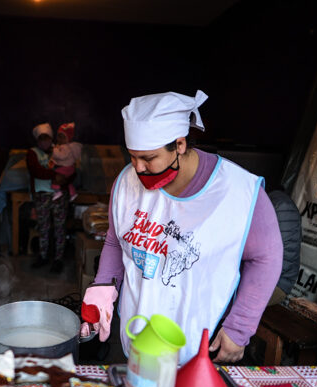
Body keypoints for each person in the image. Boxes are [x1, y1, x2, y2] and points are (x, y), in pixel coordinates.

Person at [80, 91, 283, 364]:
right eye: (132, 157)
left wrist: (239, 327)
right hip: (137, 329)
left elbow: (266, 259)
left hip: (202, 341)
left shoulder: (238, 193)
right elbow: (117, 241)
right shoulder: (126, 183)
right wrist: (103, 285)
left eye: (149, 158)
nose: (138, 169)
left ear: (179, 144)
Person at [26, 122, 71, 273]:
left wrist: (66, 178)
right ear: (37, 140)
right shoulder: (32, 153)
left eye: (47, 139)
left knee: (60, 228)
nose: (44, 142)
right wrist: (55, 175)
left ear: (51, 139)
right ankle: (43, 256)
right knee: (43, 228)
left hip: (59, 196)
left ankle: (58, 259)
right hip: (42, 196)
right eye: (41, 139)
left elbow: (72, 168)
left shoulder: (60, 151)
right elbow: (36, 171)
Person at [49, 122, 82, 201]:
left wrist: (53, 150)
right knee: (66, 182)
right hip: (70, 168)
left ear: (68, 138)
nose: (60, 139)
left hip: (65, 168)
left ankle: (57, 191)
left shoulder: (65, 147)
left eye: (62, 137)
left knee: (54, 176)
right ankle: (73, 194)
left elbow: (61, 156)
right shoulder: (69, 147)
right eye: (59, 136)